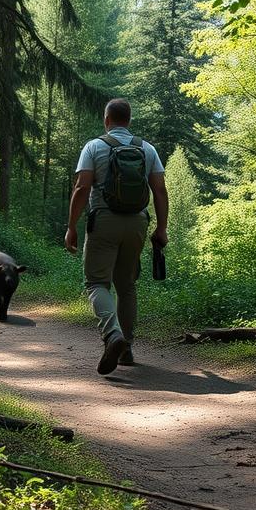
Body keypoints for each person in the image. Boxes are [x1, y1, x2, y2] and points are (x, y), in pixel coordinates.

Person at [64, 98, 168, 375]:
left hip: (104, 221)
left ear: (106, 119)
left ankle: (113, 335)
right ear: (129, 120)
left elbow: (81, 188)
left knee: (97, 283)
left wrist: (72, 226)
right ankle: (128, 347)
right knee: (127, 285)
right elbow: (159, 190)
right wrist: (162, 228)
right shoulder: (147, 149)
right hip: (137, 223)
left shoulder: (94, 146)